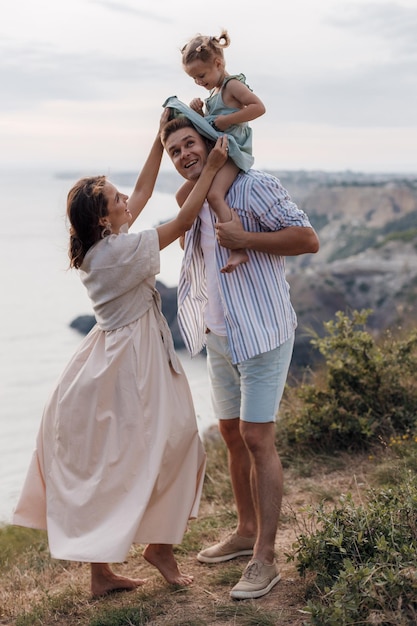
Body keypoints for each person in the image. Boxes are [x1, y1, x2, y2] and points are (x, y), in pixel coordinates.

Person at [12, 111, 229, 598]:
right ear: (104, 219)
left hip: (115, 356)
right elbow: (183, 219)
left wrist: (157, 141)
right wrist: (212, 167)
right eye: (115, 199)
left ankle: (109, 570)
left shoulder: (101, 247)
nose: (125, 199)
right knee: (171, 445)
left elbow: (144, 193)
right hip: (132, 363)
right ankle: (157, 548)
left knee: (125, 459)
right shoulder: (118, 253)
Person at [160, 115, 320, 600]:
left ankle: (265, 559)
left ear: (209, 143)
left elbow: (307, 239)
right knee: (230, 433)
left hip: (263, 331)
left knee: (256, 436)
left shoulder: (256, 187)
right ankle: (245, 531)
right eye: (174, 151)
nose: (184, 155)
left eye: (189, 144)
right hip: (220, 335)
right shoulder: (190, 200)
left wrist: (246, 240)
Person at [177, 29, 266, 273]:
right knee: (181, 196)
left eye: (201, 75)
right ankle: (192, 239)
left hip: (233, 151)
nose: (198, 82)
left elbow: (258, 108)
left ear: (218, 63)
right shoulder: (213, 94)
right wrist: (199, 114)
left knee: (215, 195)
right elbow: (212, 125)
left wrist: (229, 121)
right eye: (193, 78)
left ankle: (238, 248)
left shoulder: (232, 85)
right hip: (219, 150)